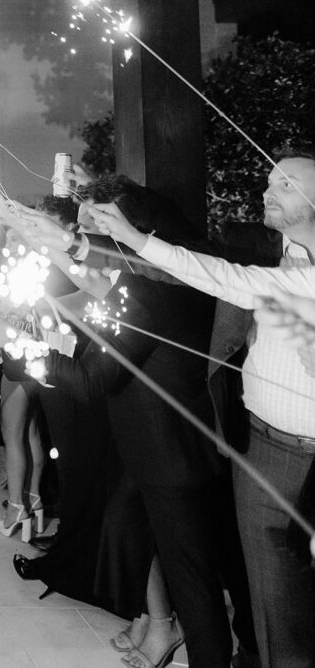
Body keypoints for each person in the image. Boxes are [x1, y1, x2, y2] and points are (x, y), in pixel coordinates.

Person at [85, 148, 315, 667]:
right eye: (269, 180)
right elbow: (199, 270)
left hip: (309, 456)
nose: (267, 190)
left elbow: (222, 279)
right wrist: (91, 243)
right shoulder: (258, 247)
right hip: (258, 444)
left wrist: (134, 237)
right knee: (271, 603)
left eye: (286, 184)